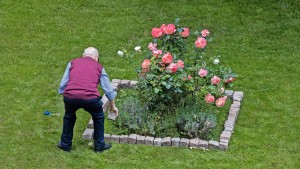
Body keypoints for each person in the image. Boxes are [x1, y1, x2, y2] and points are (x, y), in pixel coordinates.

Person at [57, 47, 118, 153]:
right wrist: (113, 106)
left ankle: (65, 145)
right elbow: (108, 89)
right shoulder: (99, 67)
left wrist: (66, 100)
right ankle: (99, 146)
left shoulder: (72, 63)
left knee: (69, 116)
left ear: (83, 56)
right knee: (98, 116)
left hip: (70, 97)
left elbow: (63, 85)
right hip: (90, 98)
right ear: (96, 58)